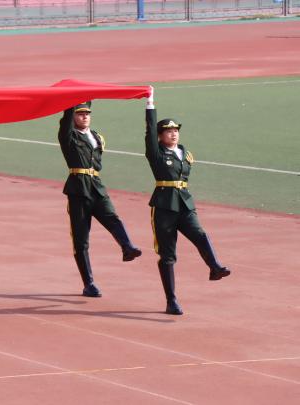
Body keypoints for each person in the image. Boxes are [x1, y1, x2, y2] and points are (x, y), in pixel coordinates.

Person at [144, 87, 231, 315]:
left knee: (200, 235)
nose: (173, 134)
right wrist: (150, 103)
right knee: (168, 255)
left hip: (184, 204)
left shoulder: (185, 154)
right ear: (160, 136)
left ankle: (215, 267)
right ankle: (171, 300)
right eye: (168, 131)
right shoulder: (156, 153)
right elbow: (149, 132)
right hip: (164, 206)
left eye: (176, 130)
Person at [58, 101, 142, 298]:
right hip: (78, 189)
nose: (84, 116)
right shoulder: (68, 136)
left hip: (96, 186)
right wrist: (69, 102)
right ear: (74, 116)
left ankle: (127, 247)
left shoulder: (96, 136)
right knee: (81, 240)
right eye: (80, 114)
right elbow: (66, 121)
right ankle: (89, 284)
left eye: (87, 113)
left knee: (112, 217)